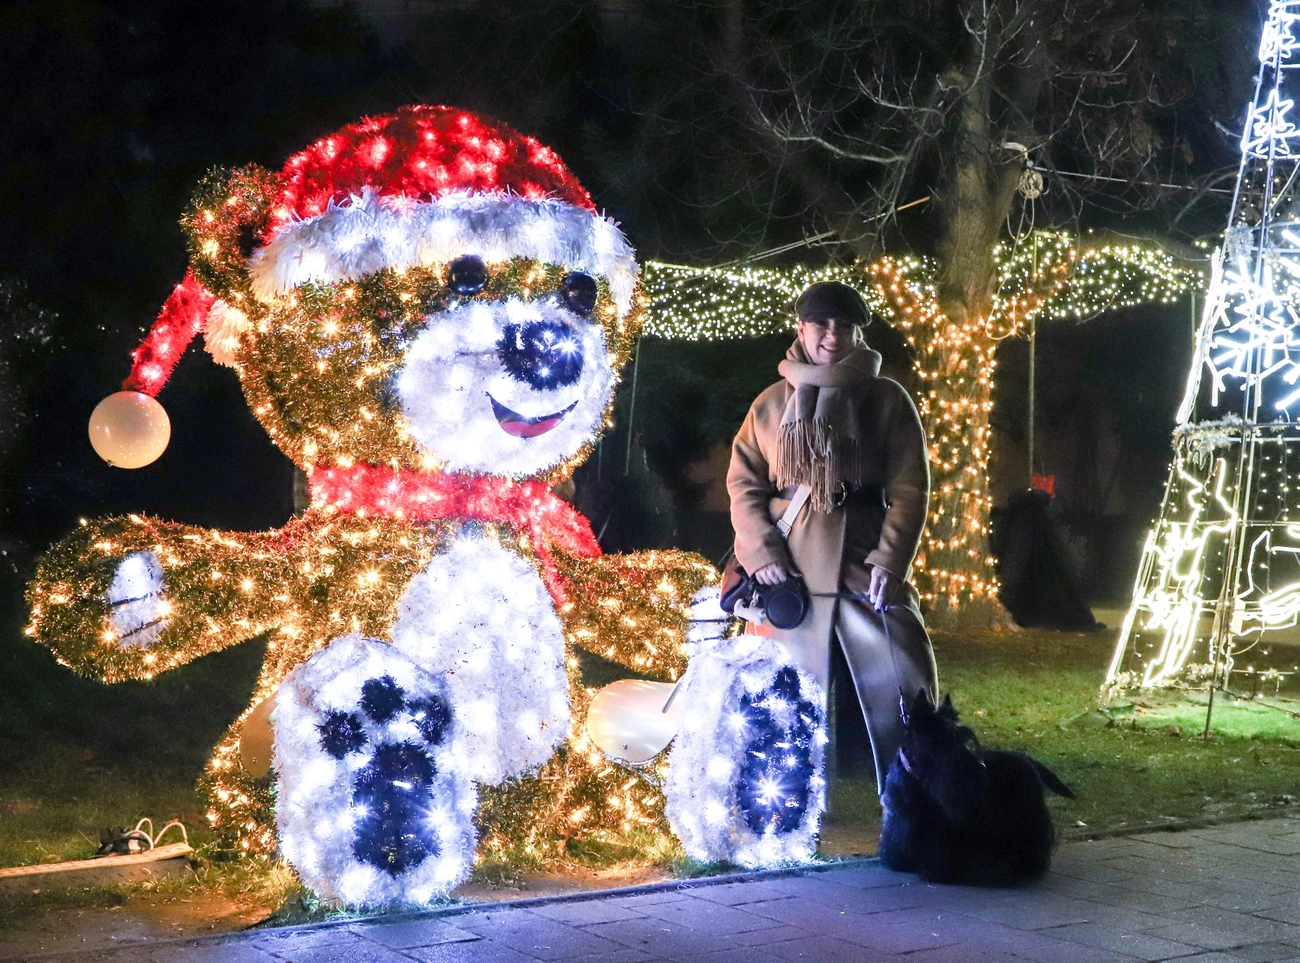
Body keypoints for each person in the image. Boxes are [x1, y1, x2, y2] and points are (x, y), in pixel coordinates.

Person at [727, 280, 938, 790]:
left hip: (862, 563)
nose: (832, 334)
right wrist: (760, 554)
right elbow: (744, 483)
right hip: (790, 572)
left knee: (903, 673)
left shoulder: (887, 399)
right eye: (821, 322)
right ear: (800, 327)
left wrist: (890, 561)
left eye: (844, 325)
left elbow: (911, 486)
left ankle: (915, 792)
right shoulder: (771, 403)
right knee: (780, 692)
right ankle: (780, 801)